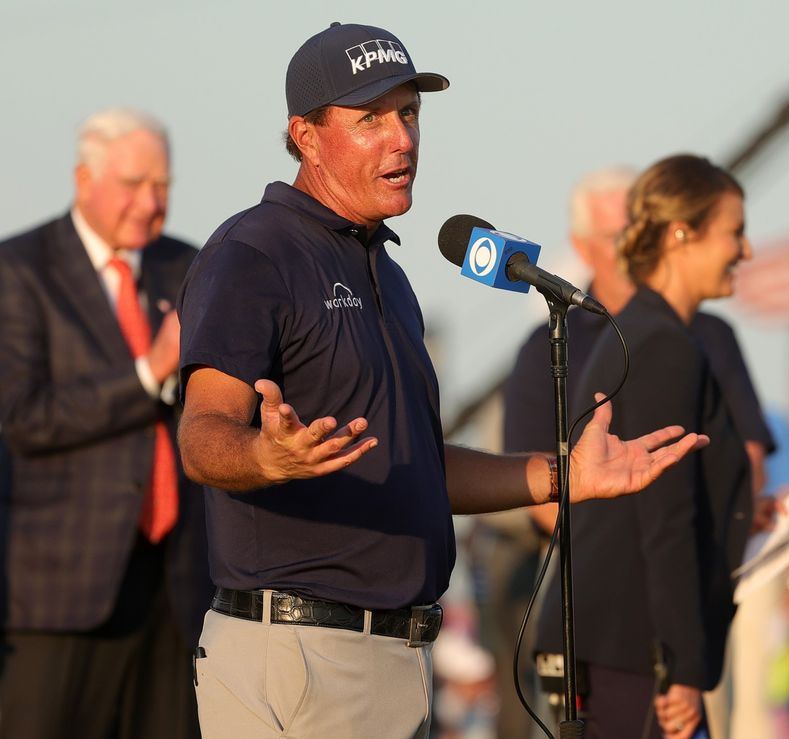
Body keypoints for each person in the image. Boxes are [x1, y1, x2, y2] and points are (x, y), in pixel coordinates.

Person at [175, 22, 707, 739]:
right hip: (299, 653)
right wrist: (264, 457)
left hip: (401, 656)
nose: (402, 138)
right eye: (371, 118)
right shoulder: (253, 253)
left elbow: (420, 467)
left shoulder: (387, 276)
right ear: (305, 134)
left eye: (410, 113)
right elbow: (203, 433)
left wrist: (566, 475)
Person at [0, 107, 212, 738]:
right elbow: (21, 417)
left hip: (177, 588)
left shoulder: (192, 269)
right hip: (58, 594)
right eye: (134, 184)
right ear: (83, 178)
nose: (151, 203)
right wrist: (149, 372)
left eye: (163, 187)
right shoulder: (19, 271)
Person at [533, 154, 756, 739]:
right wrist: (680, 668)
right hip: (636, 652)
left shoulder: (650, 332)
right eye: (736, 232)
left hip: (626, 646)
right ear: (682, 234)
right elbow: (666, 520)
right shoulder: (662, 345)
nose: (747, 251)